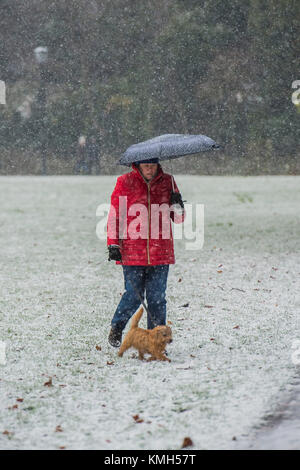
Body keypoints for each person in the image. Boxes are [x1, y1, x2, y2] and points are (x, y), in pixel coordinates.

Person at [107, 157, 185, 347]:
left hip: (161, 251)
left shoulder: (168, 182)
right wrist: (113, 244)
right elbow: (115, 214)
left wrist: (177, 204)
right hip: (132, 250)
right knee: (134, 295)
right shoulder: (125, 182)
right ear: (138, 165)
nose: (150, 169)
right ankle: (117, 326)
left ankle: (156, 341)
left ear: (158, 164)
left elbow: (178, 219)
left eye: (153, 165)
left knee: (157, 298)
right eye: (145, 166)